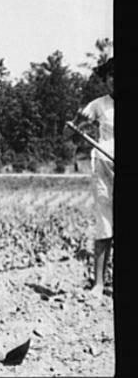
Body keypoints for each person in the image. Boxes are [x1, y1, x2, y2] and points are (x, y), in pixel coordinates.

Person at [68, 57, 114, 299]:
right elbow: (71, 134)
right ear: (106, 79)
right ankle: (98, 284)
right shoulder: (98, 105)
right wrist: (77, 125)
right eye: (111, 75)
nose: (115, 80)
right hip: (104, 170)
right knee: (104, 225)